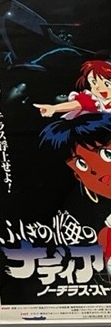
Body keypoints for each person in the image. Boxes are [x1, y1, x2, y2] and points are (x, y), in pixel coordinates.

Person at [40, 112, 111, 263]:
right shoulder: (105, 234)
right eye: (81, 165)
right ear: (77, 176)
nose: (95, 170)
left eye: (107, 154)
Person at [35, 60, 111, 118]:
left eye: (107, 84)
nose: (99, 88)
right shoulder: (94, 101)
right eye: (93, 83)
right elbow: (78, 104)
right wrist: (54, 108)